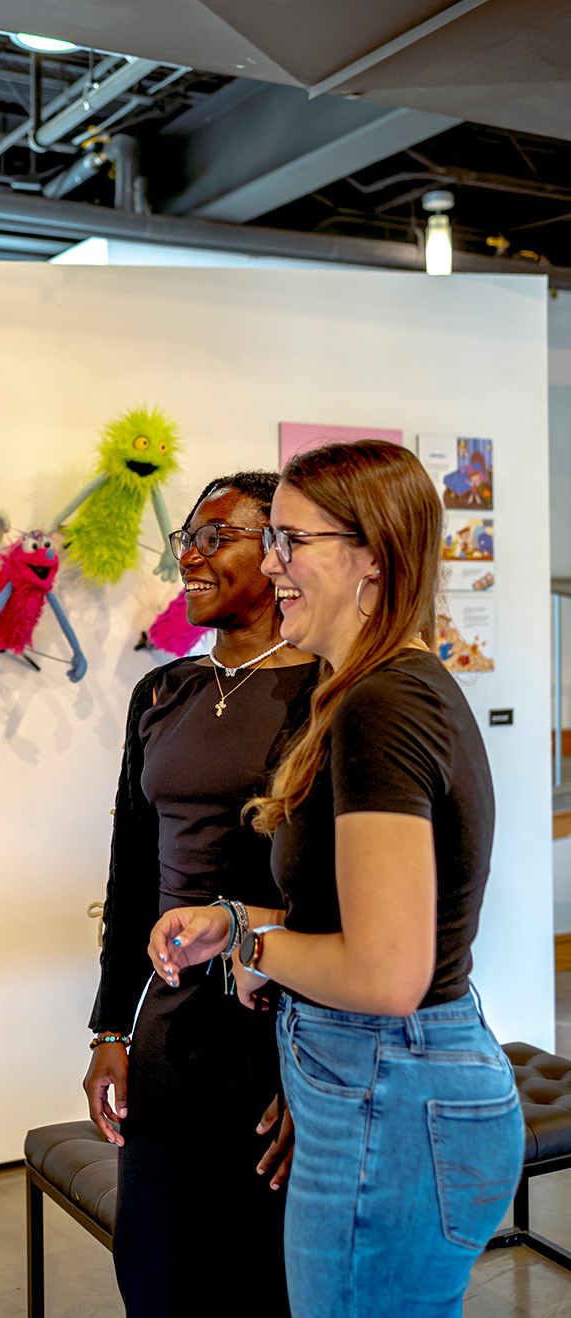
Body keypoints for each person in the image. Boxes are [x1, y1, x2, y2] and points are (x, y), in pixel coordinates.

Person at [149, 440, 524, 1318]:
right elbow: (372, 923)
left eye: (291, 542)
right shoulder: (376, 691)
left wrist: (258, 943)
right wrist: (238, 920)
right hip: (389, 1088)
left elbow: (386, 976)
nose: (270, 566)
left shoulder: (384, 705)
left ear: (373, 557)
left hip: (393, 1093)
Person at [84, 469, 317, 1317]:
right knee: (157, 1269)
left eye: (220, 535)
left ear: (281, 552)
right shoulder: (162, 692)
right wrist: (111, 1026)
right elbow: (131, 877)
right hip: (172, 1020)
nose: (192, 552)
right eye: (187, 535)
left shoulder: (326, 691)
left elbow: (333, 894)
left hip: (282, 1023)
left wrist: (314, 1073)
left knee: (263, 1277)